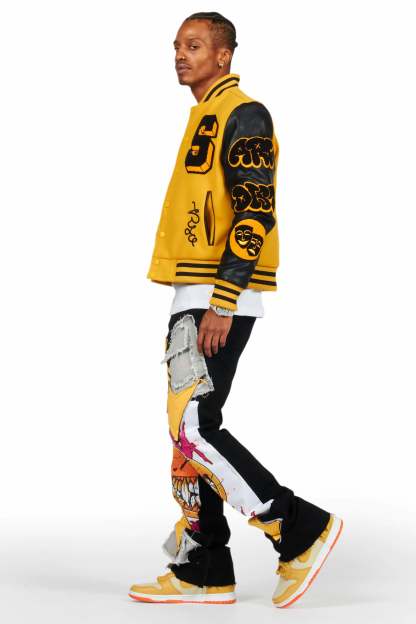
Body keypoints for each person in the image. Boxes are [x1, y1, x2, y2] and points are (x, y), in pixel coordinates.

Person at [129, 11, 343, 607]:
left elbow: (256, 209)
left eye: (194, 45)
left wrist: (224, 300)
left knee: (194, 428)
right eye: (177, 45)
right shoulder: (205, 113)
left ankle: (298, 528)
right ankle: (206, 568)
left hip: (216, 295)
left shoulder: (244, 113)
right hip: (193, 293)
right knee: (187, 435)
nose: (181, 54)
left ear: (223, 55)